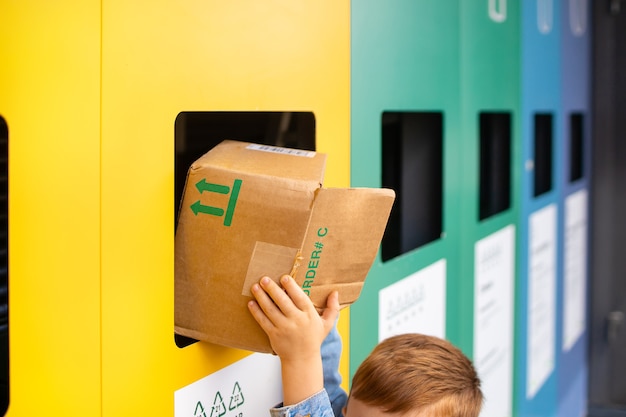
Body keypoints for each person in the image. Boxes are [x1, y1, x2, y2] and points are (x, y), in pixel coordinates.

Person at [247, 274, 484, 417]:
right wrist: (318, 313)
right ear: (346, 411)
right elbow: (325, 387)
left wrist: (300, 357)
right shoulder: (342, 408)